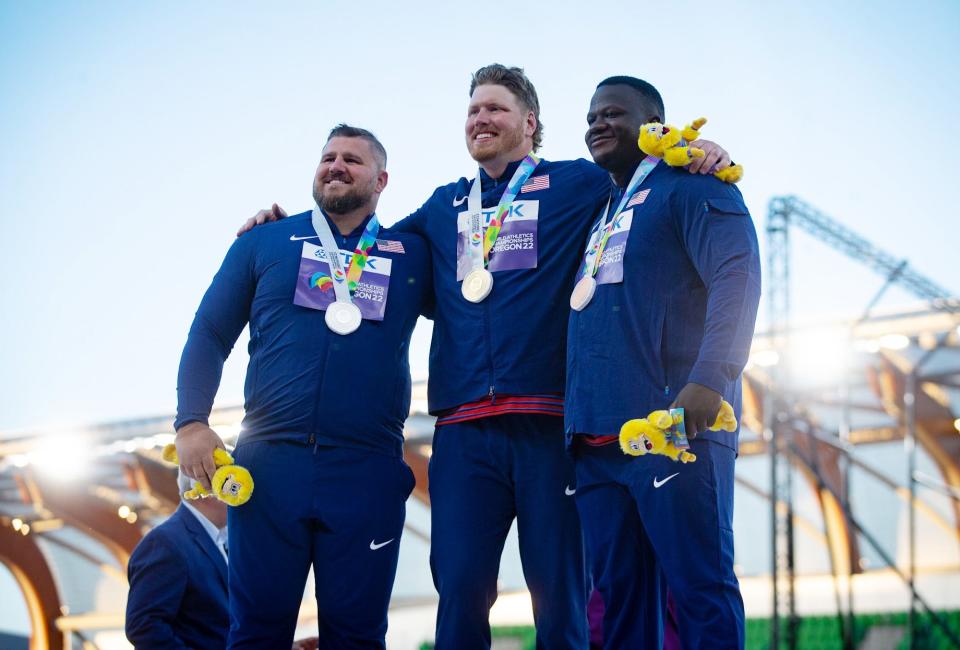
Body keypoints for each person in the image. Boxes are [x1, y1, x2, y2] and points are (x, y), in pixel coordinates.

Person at [241, 65, 732, 650]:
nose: (481, 119)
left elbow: (641, 176)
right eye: (473, 110)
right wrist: (283, 231)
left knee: (560, 597)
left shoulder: (580, 184)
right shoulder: (443, 207)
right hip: (465, 436)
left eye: (495, 109)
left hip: (549, 428)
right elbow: (364, 247)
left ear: (529, 123)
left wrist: (694, 150)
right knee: (462, 594)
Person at [174, 124, 432, 649]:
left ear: (381, 179)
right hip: (270, 466)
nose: (336, 166)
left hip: (366, 470)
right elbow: (209, 332)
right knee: (255, 633)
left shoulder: (414, 254)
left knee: (357, 636)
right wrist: (191, 422)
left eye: (353, 160)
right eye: (328, 157)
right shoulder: (265, 241)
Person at [564, 76, 760, 649]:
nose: (598, 123)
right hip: (599, 442)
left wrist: (711, 378)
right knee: (619, 603)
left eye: (615, 113)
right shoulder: (599, 210)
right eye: (592, 115)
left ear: (656, 127)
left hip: (676, 424)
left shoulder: (695, 186)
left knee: (700, 589)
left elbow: (738, 276)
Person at [126, 472, 229, 649]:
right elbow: (145, 627)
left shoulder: (218, 541)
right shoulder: (165, 542)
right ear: (208, 488)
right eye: (236, 484)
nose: (245, 496)